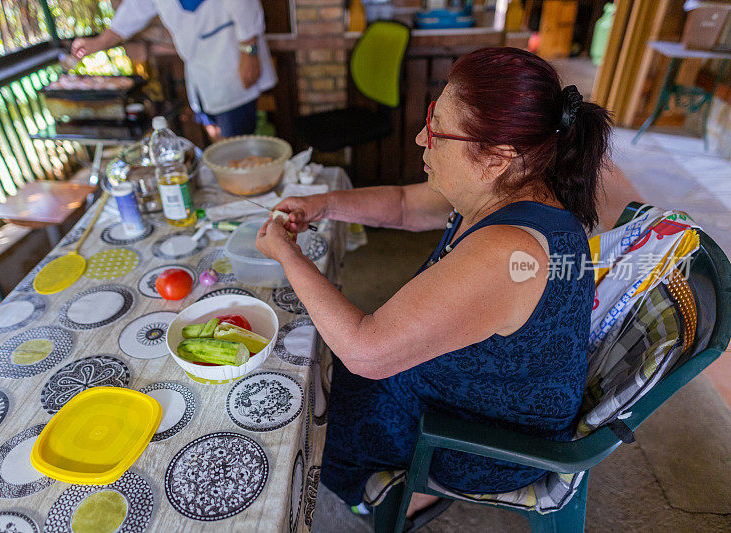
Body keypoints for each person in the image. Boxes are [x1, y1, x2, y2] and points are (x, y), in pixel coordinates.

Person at [255, 47, 611, 524]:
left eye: (439, 131)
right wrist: (323, 204)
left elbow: (367, 351)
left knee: (310, 410)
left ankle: (385, 494)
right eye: (431, 116)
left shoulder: (509, 253)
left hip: (486, 439)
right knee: (319, 367)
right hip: (480, 386)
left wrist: (287, 255)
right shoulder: (520, 183)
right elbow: (404, 204)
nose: (422, 137)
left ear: (498, 157)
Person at [71, 0, 276, 138]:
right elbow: (135, 9)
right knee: (219, 136)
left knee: (239, 142)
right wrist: (98, 42)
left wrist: (250, 52)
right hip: (201, 69)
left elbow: (245, 5)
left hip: (233, 59)